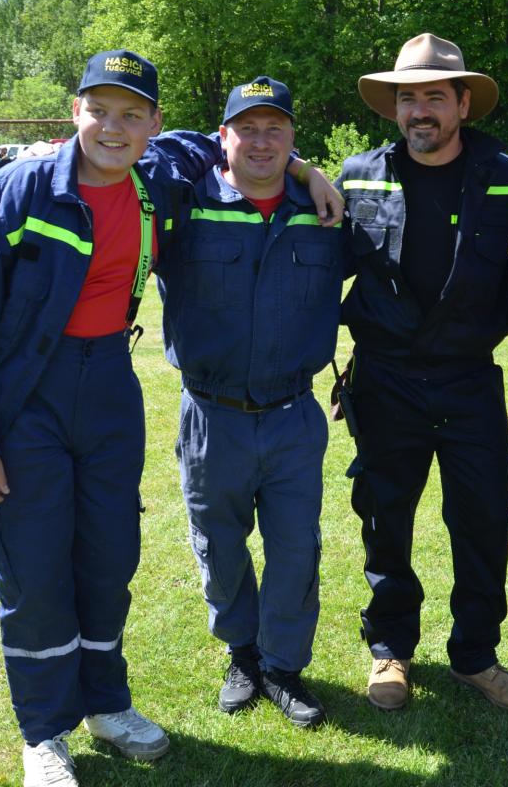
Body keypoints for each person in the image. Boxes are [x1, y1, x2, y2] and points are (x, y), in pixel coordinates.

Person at [0, 50, 184, 787]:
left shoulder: (157, 182)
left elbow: (220, 147)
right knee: (34, 569)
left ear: (154, 125)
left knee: (109, 557)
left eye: (132, 115)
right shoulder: (16, 192)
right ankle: (43, 732)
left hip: (111, 390)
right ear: (74, 112)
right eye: (100, 110)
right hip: (27, 395)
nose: (114, 128)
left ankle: (107, 704)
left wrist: (306, 169)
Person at [336, 33, 508, 713]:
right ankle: (390, 648)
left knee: (483, 521)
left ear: (463, 104)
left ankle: (476, 655)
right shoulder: (357, 175)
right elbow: (318, 261)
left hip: (468, 379)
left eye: (433, 97)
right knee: (383, 518)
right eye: (407, 98)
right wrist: (302, 170)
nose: (419, 110)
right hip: (384, 380)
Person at [151, 77, 344, 729]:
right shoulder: (185, 203)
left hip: (293, 417)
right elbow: (145, 153)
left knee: (295, 549)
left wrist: (308, 175)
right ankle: (242, 654)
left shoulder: (323, 212)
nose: (261, 142)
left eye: (275, 130)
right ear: (223, 136)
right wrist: (304, 165)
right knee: (220, 546)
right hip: (212, 418)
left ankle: (283, 666)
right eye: (247, 129)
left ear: (292, 137)